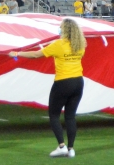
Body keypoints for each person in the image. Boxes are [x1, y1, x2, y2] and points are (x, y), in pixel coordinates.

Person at [10, 18, 87, 157]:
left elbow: (35, 55)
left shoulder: (59, 44)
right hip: (79, 81)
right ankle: (71, 149)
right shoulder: (80, 45)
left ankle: (61, 146)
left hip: (63, 81)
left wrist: (17, 53)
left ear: (65, 30)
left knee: (54, 115)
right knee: (70, 116)